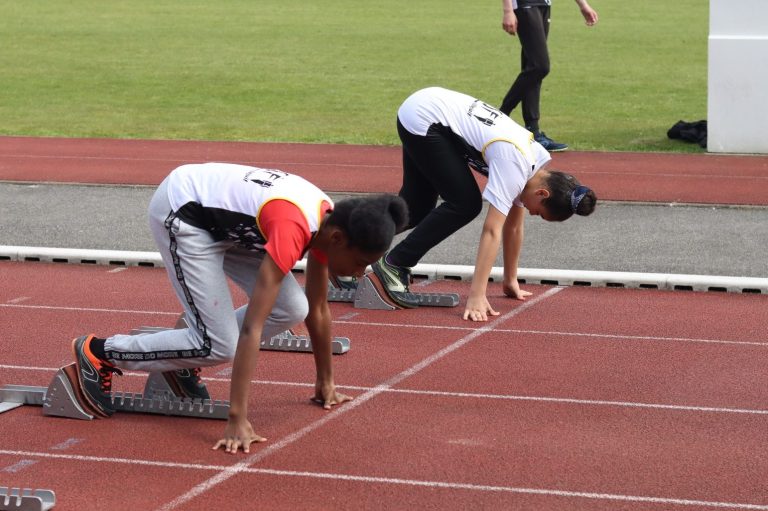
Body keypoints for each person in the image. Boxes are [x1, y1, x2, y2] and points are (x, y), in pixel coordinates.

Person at [70, 162, 407, 454]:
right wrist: (237, 418)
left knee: (292, 307)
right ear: (338, 241)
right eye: (360, 262)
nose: (360, 273)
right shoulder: (296, 229)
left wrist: (325, 383)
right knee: (219, 346)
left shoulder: (332, 223)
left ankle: (186, 350)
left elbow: (317, 309)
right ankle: (100, 352)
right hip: (184, 214)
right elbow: (252, 329)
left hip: (230, 227)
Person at [371, 86, 596, 321]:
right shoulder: (515, 166)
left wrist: (510, 279)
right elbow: (492, 230)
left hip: (423, 110)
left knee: (414, 209)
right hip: (425, 118)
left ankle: (352, 243)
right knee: (465, 205)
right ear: (542, 193)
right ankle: (394, 264)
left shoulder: (535, 163)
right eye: (539, 212)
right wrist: (477, 295)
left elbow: (514, 228)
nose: (532, 214)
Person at [499, 0, 599, 152]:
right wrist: (508, 10)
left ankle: (533, 131)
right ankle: (501, 114)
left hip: (543, 4)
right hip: (525, 4)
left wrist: (583, 5)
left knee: (532, 67)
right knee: (539, 66)